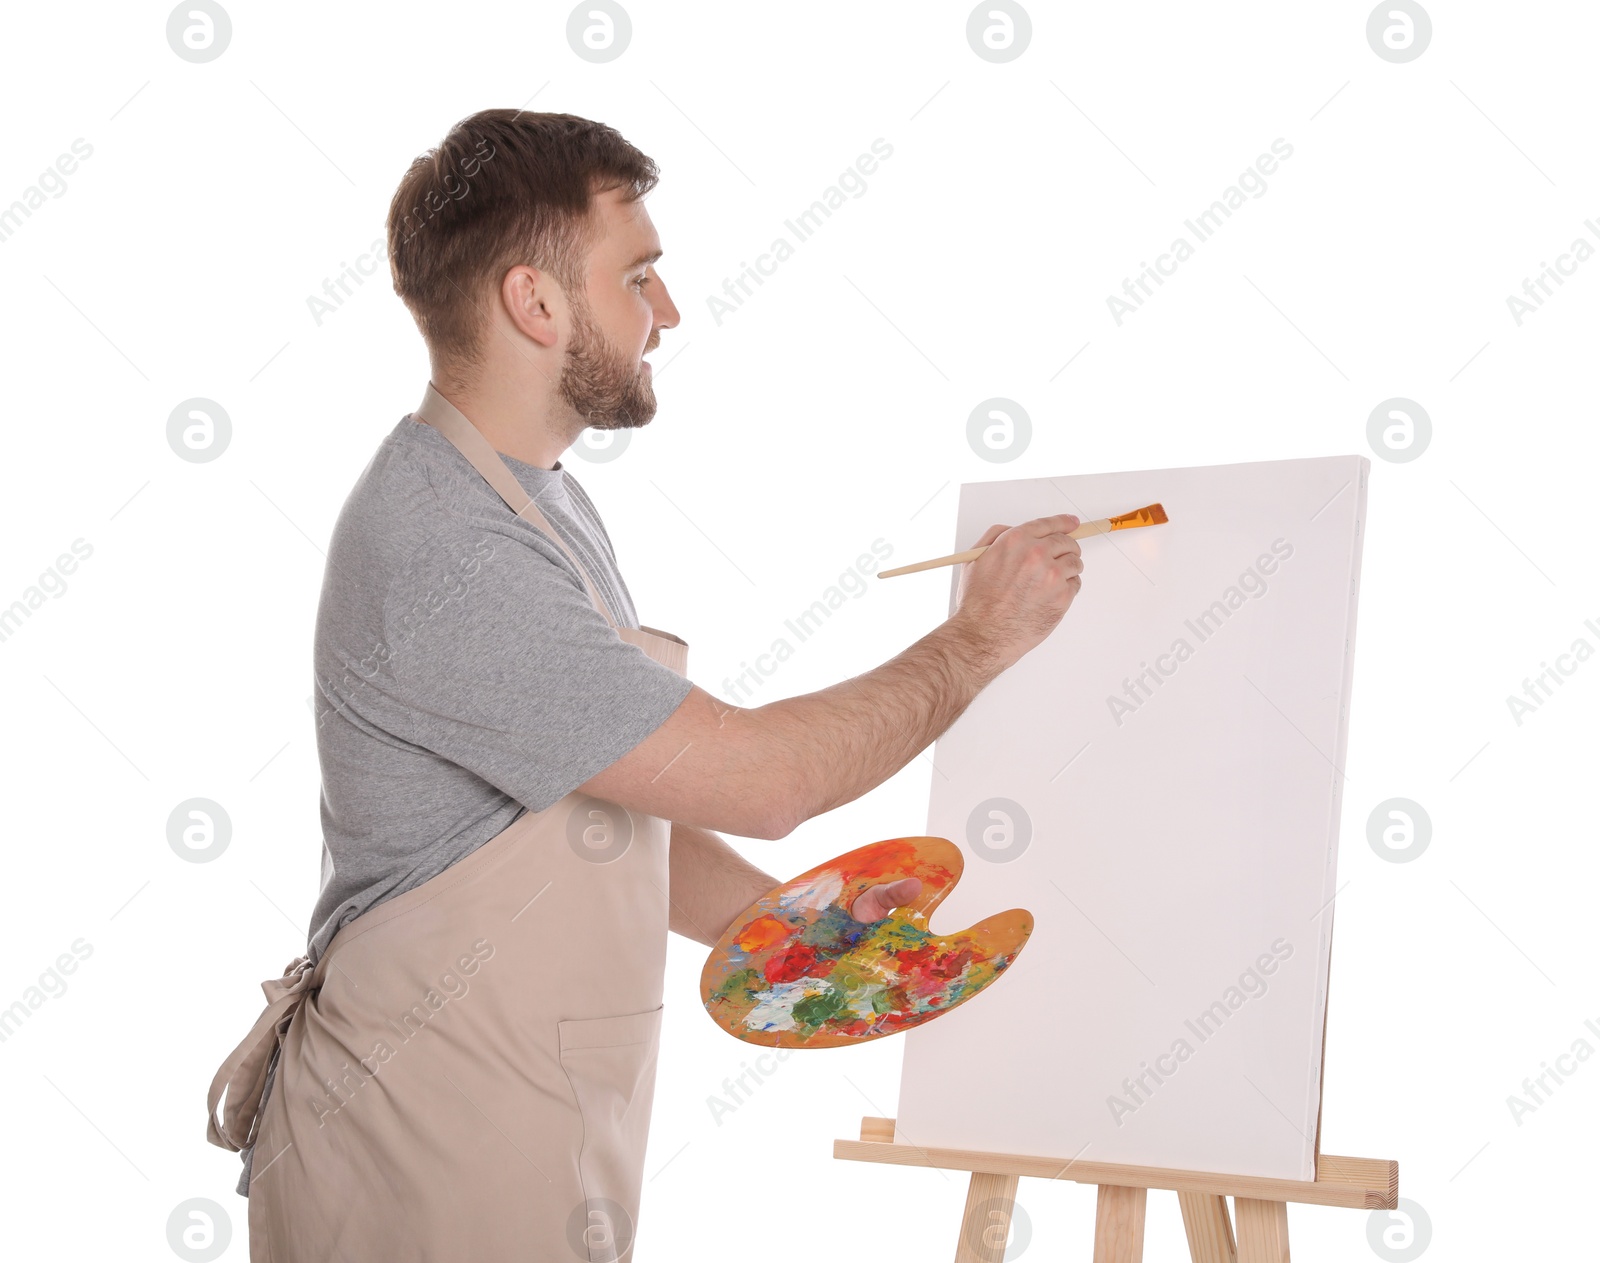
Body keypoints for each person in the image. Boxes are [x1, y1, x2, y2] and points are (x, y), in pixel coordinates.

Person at [204, 108, 1084, 1262]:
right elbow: (759, 779)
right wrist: (975, 642)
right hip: (421, 1144)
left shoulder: (540, 500)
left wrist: (808, 943)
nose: (666, 311)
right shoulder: (446, 546)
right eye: (640, 276)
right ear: (536, 304)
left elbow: (607, 813)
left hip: (515, 1120)